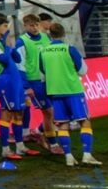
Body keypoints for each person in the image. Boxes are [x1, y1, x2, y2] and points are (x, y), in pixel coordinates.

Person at [40, 22, 100, 167]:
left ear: (50, 34)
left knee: (62, 124)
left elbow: (42, 75)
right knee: (84, 121)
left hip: (55, 91)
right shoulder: (69, 49)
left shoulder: (43, 51)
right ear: (63, 34)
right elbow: (83, 71)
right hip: (73, 90)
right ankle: (86, 154)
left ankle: (68, 157)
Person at [0, 13, 29, 162]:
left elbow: (17, 58)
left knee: (19, 112)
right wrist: (5, 45)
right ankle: (5, 149)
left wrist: (9, 46)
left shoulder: (1, 42)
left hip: (14, 78)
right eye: (4, 26)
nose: (7, 28)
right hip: (3, 79)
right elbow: (3, 59)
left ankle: (20, 146)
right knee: (7, 112)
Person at [20, 13, 59, 154]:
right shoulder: (22, 41)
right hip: (34, 82)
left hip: (49, 80)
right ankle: (53, 144)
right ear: (25, 26)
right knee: (49, 112)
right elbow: (20, 65)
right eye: (31, 25)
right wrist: (26, 86)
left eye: (36, 25)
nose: (35, 28)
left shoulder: (45, 37)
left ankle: (40, 132)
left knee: (53, 112)